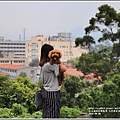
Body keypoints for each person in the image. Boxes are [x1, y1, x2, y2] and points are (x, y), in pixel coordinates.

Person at [39, 43, 61, 118]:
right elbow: (58, 73)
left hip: (46, 91)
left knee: (47, 113)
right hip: (52, 91)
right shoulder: (50, 65)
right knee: (53, 114)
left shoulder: (43, 65)